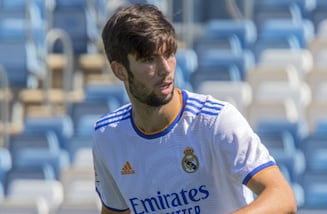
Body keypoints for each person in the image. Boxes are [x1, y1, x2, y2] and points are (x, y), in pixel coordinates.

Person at [92, 3, 297, 214]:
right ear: (120, 71)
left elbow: (282, 196)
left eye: (169, 54)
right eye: (149, 59)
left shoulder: (216, 121)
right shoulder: (108, 136)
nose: (166, 69)